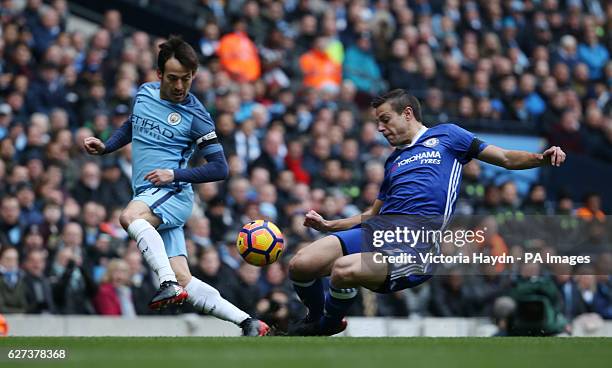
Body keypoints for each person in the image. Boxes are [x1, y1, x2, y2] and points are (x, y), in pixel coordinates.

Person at [287, 89, 567, 335]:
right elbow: (372, 214)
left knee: (343, 270)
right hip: (378, 231)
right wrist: (329, 225)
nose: (381, 129)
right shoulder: (393, 161)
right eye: (377, 123)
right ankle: (314, 318)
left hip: (415, 246)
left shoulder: (448, 136)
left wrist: (540, 159)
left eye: (385, 120)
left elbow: (505, 157)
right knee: (301, 264)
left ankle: (328, 324)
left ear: (407, 113)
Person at [83, 36, 269, 336]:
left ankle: (166, 284)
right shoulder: (144, 94)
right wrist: (106, 147)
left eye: (187, 79)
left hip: (172, 193)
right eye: (173, 78)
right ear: (158, 75)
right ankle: (250, 323)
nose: (180, 86)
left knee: (129, 217)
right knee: (184, 277)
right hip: (149, 193)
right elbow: (133, 125)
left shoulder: (197, 117)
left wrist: (175, 174)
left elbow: (221, 168)